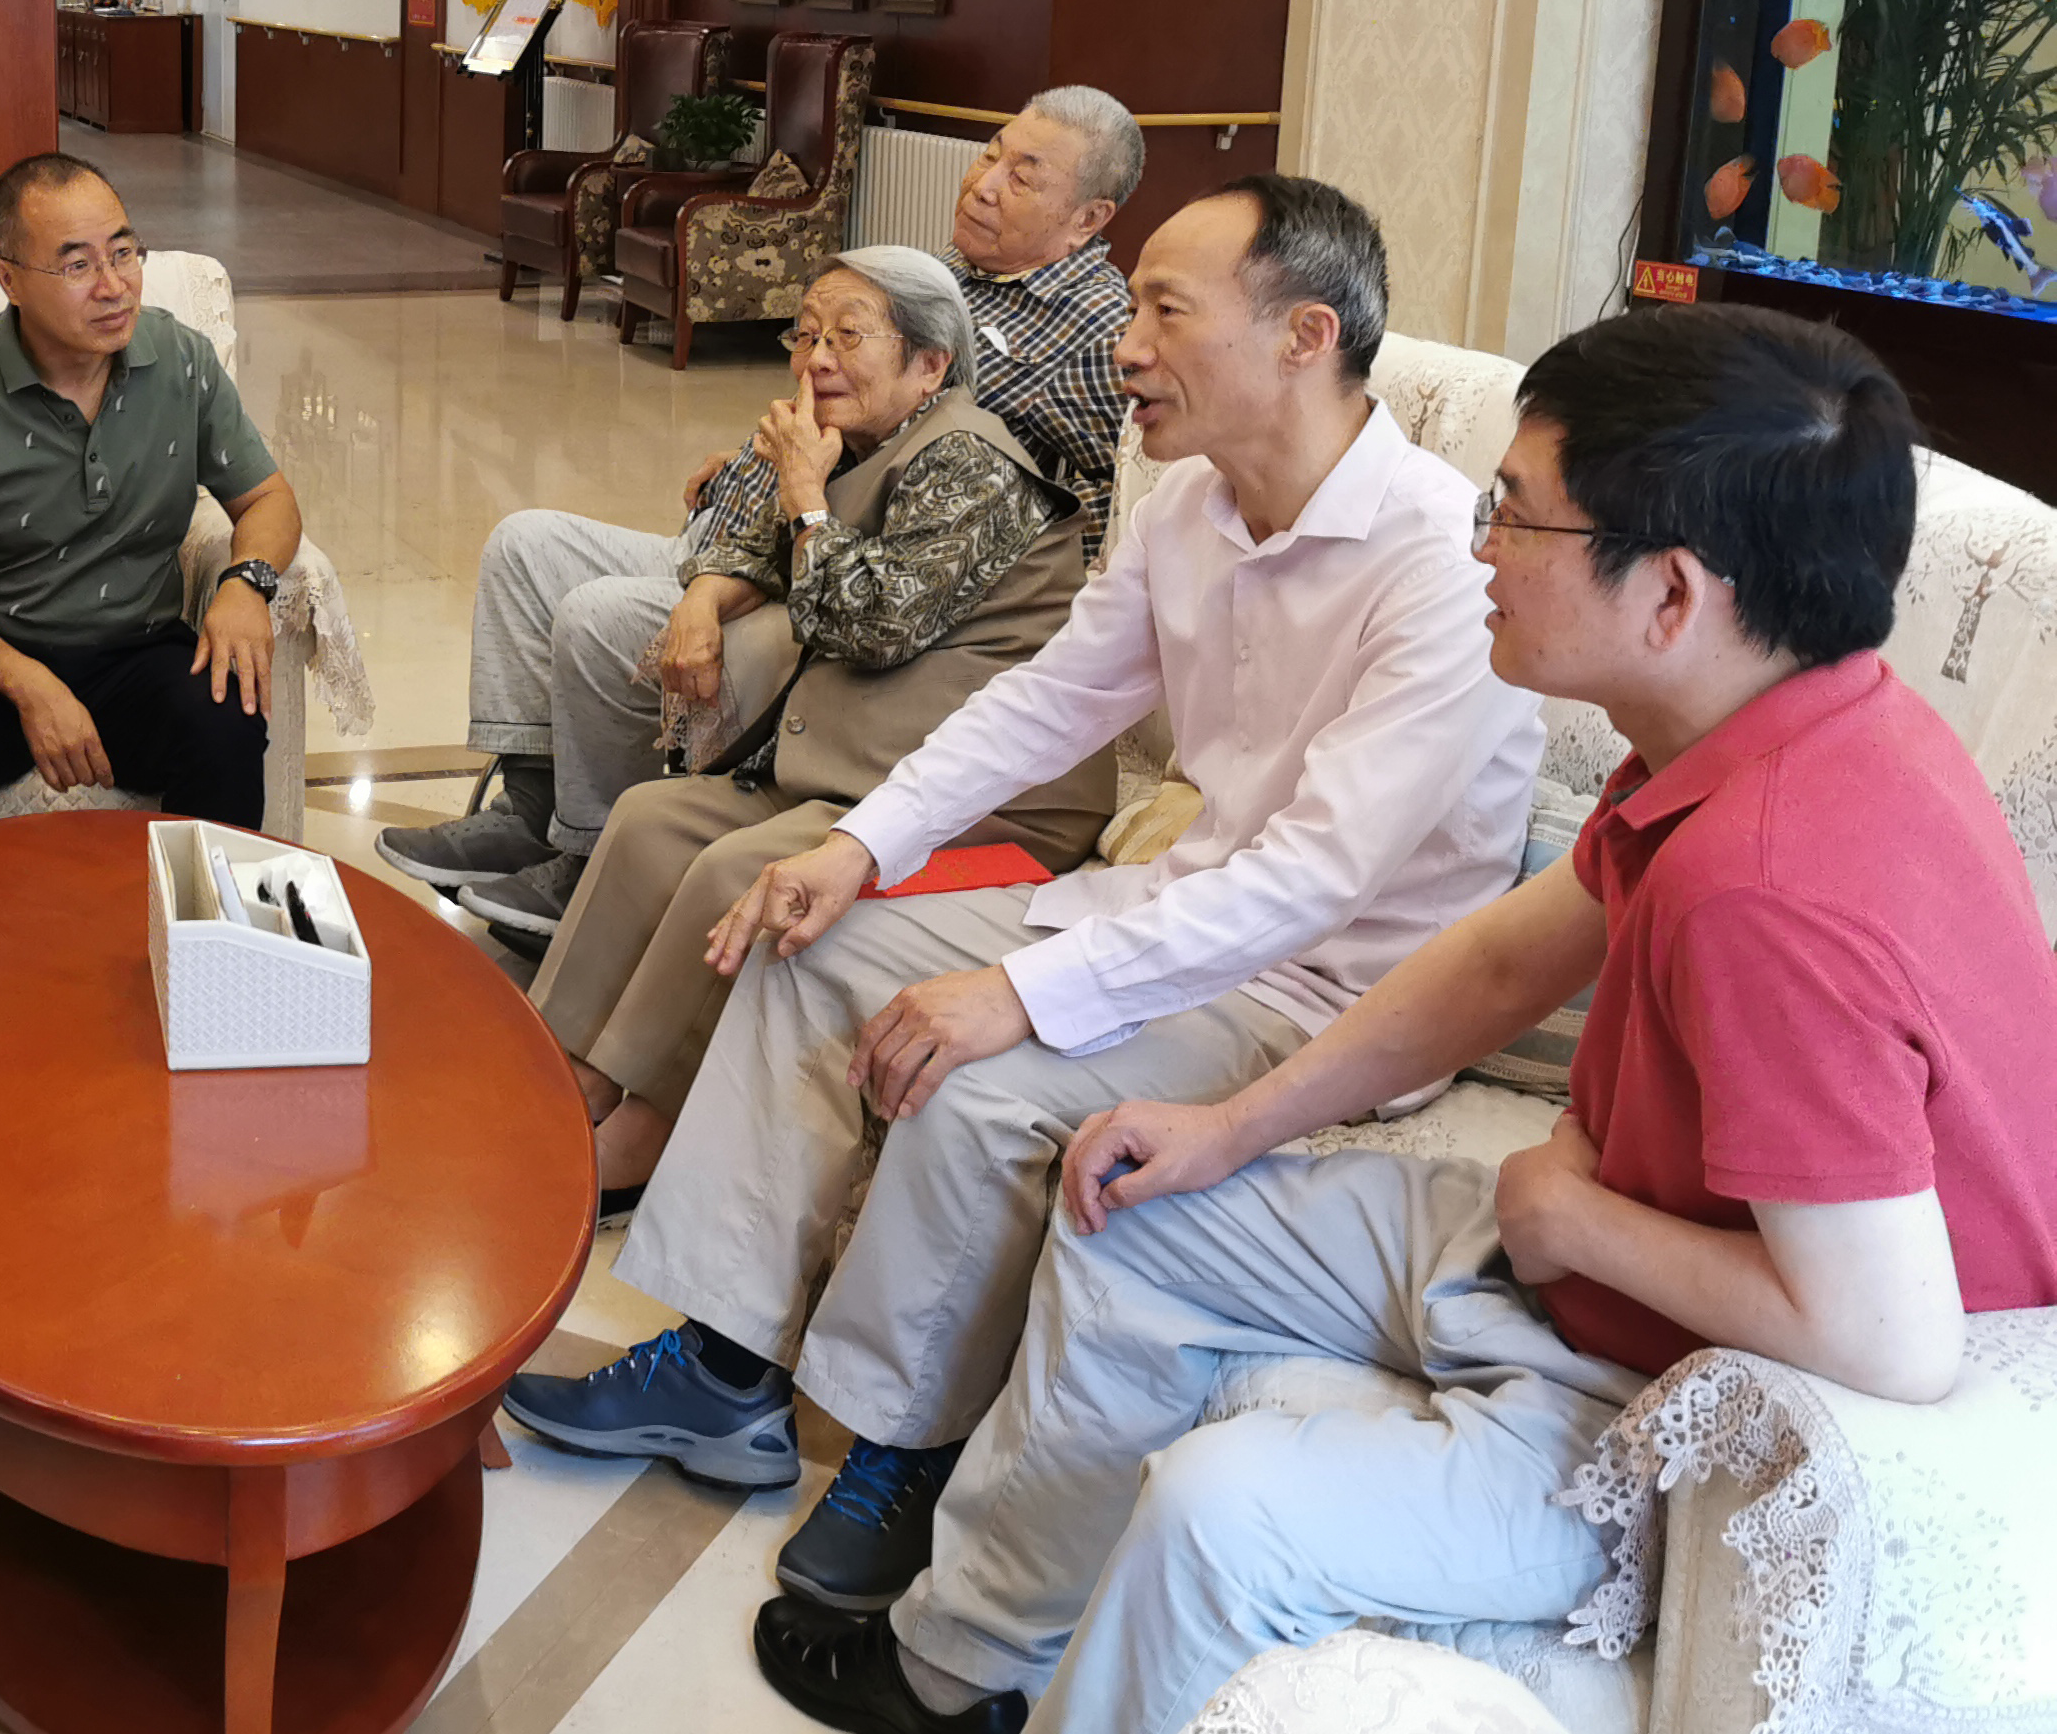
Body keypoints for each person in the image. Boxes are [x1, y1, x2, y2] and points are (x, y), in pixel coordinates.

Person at [758, 305, 2057, 1734]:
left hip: (1688, 1393)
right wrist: (1226, 1128)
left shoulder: (1767, 887)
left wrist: (1572, 1219)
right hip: (1600, 1266)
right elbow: (1499, 965)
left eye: (1517, 513)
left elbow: (1893, 1339)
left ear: (1672, 594)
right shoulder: (1776, 723)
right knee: (1132, 1202)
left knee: (1219, 1513)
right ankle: (968, 1668)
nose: (1479, 547)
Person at [503, 176, 1543, 1609]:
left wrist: (1018, 993)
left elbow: (1317, 880)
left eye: (1164, 310)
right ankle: (728, 1373)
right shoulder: (1190, 506)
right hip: (1175, 907)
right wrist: (858, 848)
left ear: (1304, 336)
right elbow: (1043, 704)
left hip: (1330, 990)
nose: (1124, 346)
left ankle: (904, 1446)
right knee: (809, 943)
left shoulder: (1440, 564)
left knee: (980, 1079)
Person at [381, 89, 1144, 937]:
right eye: (992, 152)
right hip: (746, 531)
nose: (985, 183)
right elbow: (841, 410)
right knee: (525, 546)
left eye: (1024, 176)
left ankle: (587, 857)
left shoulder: (1098, 334)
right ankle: (533, 806)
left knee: (599, 618)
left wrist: (850, 528)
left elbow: (1108, 499)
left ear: (1089, 217)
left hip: (822, 574)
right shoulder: (954, 273)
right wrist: (748, 459)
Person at [527, 250, 1116, 1213]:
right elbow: (751, 547)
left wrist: (804, 492)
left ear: (930, 364)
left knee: (736, 869)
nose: (817, 358)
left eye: (848, 335)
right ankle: (569, 1074)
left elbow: (873, 624)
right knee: (650, 819)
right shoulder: (857, 440)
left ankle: (652, 1126)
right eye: (805, 335)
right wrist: (704, 599)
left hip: (986, 800)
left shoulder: (973, 462)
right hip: (856, 762)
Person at [0, 151, 304, 857]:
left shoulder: (182, 360)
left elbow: (269, 498)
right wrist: (30, 685)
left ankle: (204, 921)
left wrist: (244, 585)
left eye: (124, 253)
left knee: (224, 712)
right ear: (9, 279)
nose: (114, 286)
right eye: (77, 265)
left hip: (136, 648)